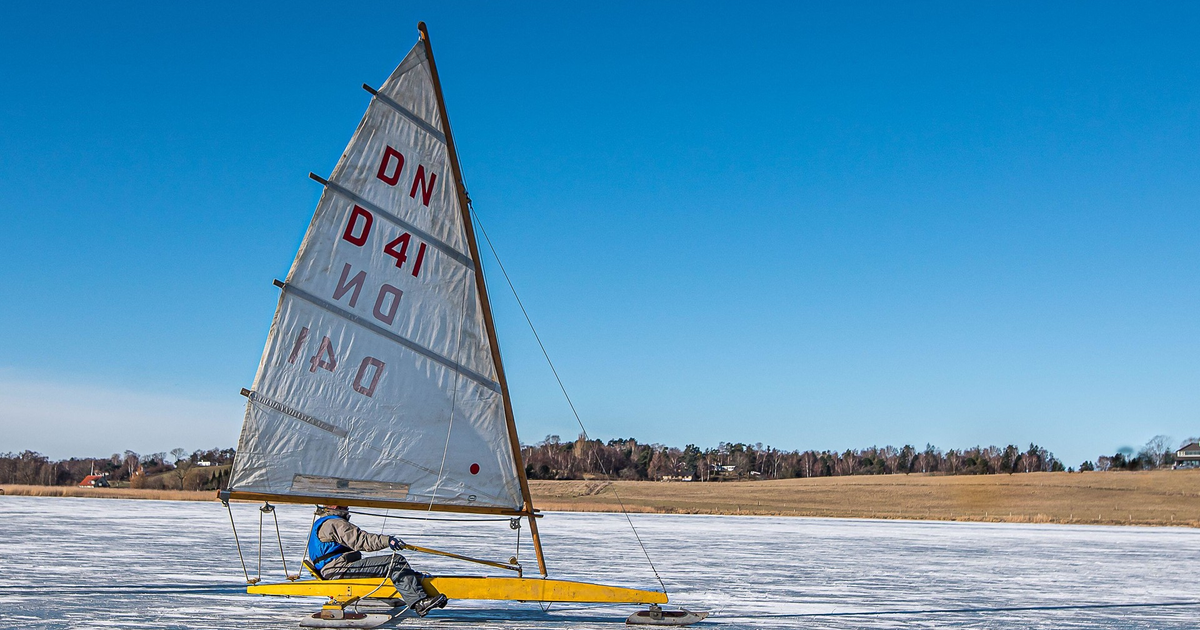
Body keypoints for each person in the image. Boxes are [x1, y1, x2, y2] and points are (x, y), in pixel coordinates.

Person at [307, 505, 448, 616]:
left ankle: (395, 594)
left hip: (334, 568)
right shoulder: (334, 523)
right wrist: (389, 540)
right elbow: (361, 541)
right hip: (338, 569)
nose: (348, 508)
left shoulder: (323, 522)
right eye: (345, 505)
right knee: (395, 562)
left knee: (389, 567)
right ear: (335, 507)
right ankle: (419, 602)